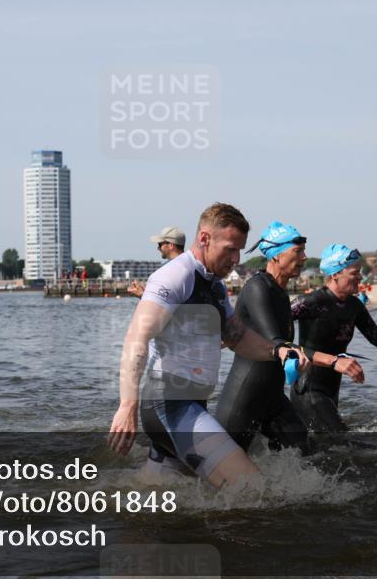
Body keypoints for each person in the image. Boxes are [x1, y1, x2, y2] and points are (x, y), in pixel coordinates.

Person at [107, 204, 307, 488]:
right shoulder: (176, 276)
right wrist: (127, 405)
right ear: (204, 239)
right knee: (253, 491)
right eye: (230, 249)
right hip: (170, 405)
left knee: (148, 501)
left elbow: (237, 337)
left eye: (240, 250)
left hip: (188, 403)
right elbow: (136, 338)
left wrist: (278, 350)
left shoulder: (214, 285)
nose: (236, 259)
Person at [289, 244, 377, 432]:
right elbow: (274, 333)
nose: (360, 278)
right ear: (335, 274)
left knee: (327, 446)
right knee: (342, 442)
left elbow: (375, 335)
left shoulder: (354, 305)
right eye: (355, 273)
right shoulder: (311, 302)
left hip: (332, 389)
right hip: (308, 388)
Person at [215, 221, 313, 454]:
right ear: (277, 255)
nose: (304, 257)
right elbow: (274, 339)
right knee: (223, 478)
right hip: (244, 398)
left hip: (272, 398)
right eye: (297, 251)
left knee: (308, 456)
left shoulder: (279, 291)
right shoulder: (257, 287)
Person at [127, 226, 186, 298]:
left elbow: (165, 302)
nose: (158, 248)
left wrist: (142, 295)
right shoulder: (190, 265)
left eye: (160, 244)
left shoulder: (170, 269)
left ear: (171, 245)